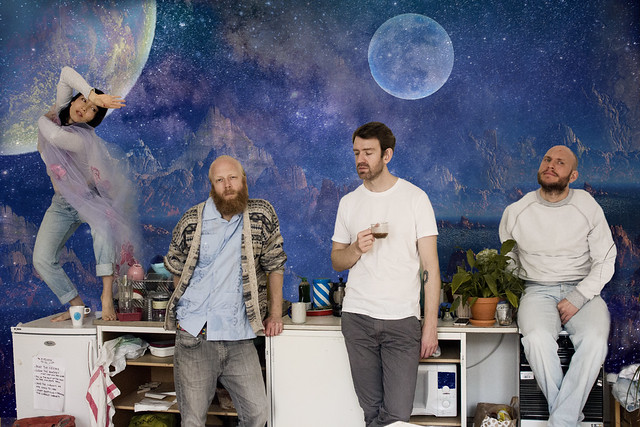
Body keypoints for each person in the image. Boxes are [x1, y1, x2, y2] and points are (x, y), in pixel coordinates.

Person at [331, 122, 441, 426]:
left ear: (387, 155)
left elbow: (430, 267)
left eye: (368, 152)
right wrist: (355, 248)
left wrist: (430, 325)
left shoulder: (415, 198)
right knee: (371, 413)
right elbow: (337, 261)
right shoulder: (349, 203)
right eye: (356, 153)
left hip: (402, 322)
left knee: (397, 417)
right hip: (358, 319)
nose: (360, 159)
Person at [163, 155, 287, 427]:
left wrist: (275, 314)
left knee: (257, 414)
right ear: (212, 186)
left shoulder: (261, 214)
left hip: (239, 336)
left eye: (232, 178)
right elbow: (175, 265)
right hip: (195, 337)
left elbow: (275, 263)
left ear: (244, 181)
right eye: (220, 180)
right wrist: (188, 310)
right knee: (193, 421)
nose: (227, 185)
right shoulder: (192, 220)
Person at [499, 145, 616, 426]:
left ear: (573, 176)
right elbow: (508, 260)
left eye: (560, 163)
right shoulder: (517, 211)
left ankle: (560, 421)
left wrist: (578, 296)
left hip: (584, 289)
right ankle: (566, 419)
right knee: (536, 339)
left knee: (595, 342)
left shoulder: (587, 206)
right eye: (547, 159)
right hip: (537, 289)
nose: (550, 165)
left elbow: (606, 259)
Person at [33, 66, 139, 322]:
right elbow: (65, 73)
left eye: (93, 110)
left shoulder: (80, 138)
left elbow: (53, 136)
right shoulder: (60, 114)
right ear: (73, 100)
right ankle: (76, 304)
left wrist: (40, 118)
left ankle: (106, 295)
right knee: (42, 259)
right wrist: (94, 95)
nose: (85, 108)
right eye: (83, 101)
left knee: (103, 228)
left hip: (88, 199)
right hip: (62, 203)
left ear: (94, 119)